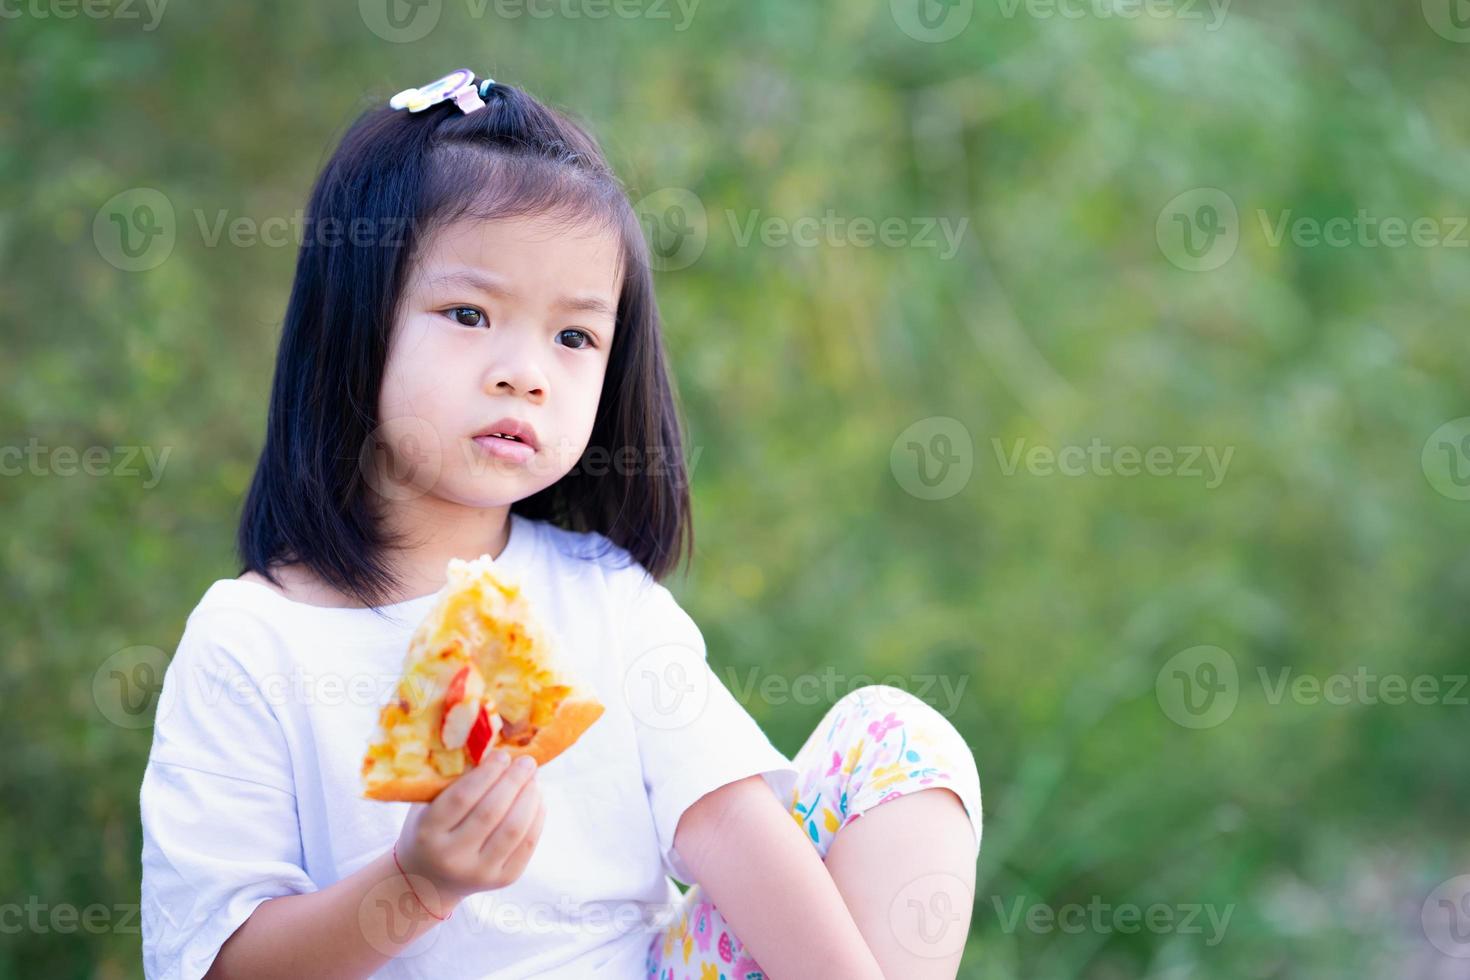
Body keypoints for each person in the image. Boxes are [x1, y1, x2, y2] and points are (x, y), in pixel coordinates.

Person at [139, 69, 983, 980]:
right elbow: (221, 966)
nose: (525, 373)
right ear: (355, 322)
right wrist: (415, 884)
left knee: (899, 742)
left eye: (574, 337)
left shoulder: (603, 597)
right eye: (469, 314)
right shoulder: (251, 644)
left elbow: (730, 822)